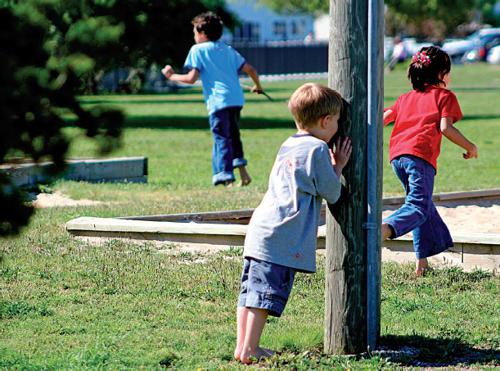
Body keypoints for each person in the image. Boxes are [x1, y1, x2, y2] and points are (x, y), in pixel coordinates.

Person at [234, 83, 352, 364]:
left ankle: (244, 347)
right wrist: (338, 166)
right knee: (263, 294)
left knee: (250, 292)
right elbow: (332, 193)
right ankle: (250, 350)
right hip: (281, 233)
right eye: (336, 121)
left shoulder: (289, 143)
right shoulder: (318, 150)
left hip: (262, 228)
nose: (337, 126)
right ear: (325, 121)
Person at [382, 46, 478, 276]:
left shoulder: (405, 98)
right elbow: (445, 128)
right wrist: (470, 146)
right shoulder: (445, 96)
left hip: (397, 158)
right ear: (441, 74)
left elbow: (384, 118)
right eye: (448, 71)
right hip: (420, 156)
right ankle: (381, 231)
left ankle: (421, 264)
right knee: (417, 206)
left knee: (422, 207)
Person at [162, 12, 263, 186]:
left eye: (194, 32)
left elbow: (191, 78)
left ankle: (225, 177)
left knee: (221, 138)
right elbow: (251, 70)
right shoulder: (227, 49)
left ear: (202, 33)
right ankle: (244, 174)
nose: (194, 36)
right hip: (235, 100)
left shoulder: (197, 50)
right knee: (233, 136)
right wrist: (258, 86)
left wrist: (171, 76)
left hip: (218, 102)